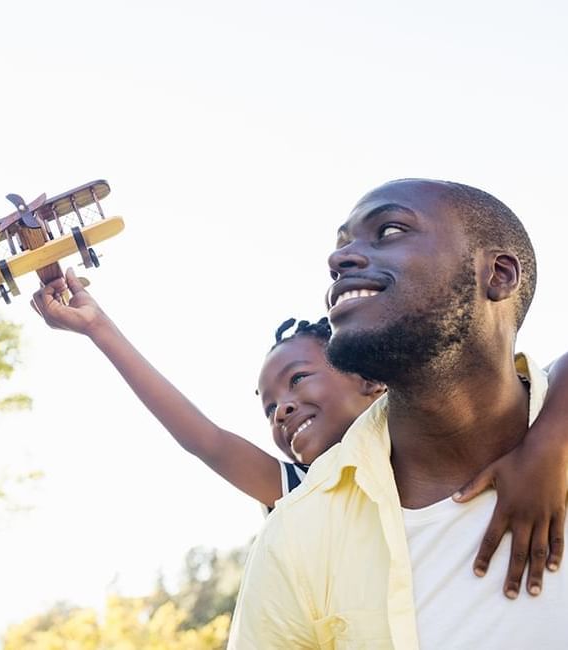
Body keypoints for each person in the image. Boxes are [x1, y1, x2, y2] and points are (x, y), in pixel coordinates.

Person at [33, 260, 568, 603]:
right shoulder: (309, 491)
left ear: (372, 381)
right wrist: (99, 329)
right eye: (269, 408)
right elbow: (207, 441)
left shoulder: (471, 423)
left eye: (299, 380)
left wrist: (545, 448)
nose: (282, 410)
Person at [228, 178, 568, 649]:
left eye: (388, 231)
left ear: (498, 274)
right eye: (342, 245)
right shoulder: (299, 533)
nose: (338, 260)